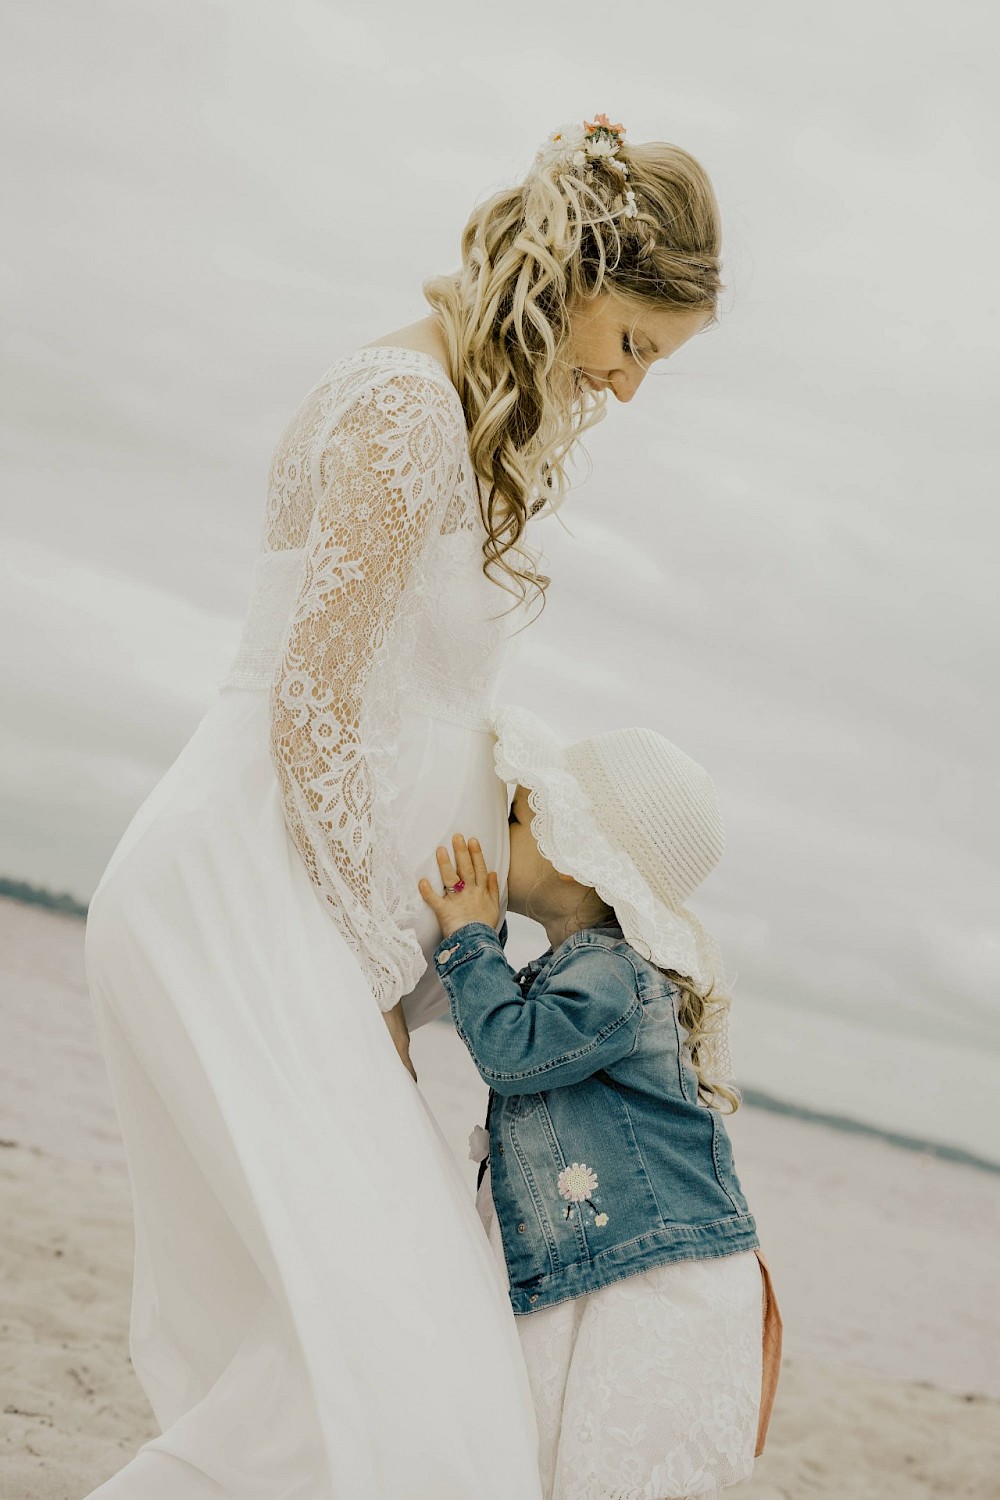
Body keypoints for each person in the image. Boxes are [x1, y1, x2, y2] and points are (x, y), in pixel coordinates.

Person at [82, 116, 723, 1496]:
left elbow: (408, 705)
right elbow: (310, 701)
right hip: (255, 898)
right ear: (582, 274)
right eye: (637, 346)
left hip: (336, 920)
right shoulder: (401, 408)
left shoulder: (466, 420)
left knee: (353, 1360)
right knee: (379, 1360)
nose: (631, 384)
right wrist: (378, 966)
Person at [419, 703, 783, 1500]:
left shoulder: (612, 976)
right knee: (548, 1446)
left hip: (646, 1275)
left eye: (517, 816)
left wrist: (469, 939)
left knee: (593, 1460)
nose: (498, 826)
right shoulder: (582, 966)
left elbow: (513, 1052)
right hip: (609, 1256)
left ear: (578, 853)